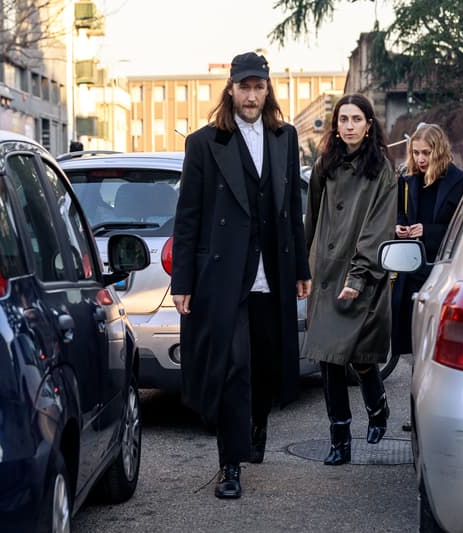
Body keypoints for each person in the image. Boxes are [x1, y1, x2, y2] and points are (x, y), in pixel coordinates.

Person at [170, 51, 311, 500]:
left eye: (258, 87)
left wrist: (301, 267)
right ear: (230, 90)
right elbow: (188, 217)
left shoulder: (284, 138)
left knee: (268, 365)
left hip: (273, 269)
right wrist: (183, 282)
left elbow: (292, 212)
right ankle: (229, 464)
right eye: (244, 87)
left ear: (267, 91)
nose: (251, 95)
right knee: (232, 367)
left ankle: (255, 425)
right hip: (224, 276)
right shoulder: (204, 143)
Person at [303, 93, 397, 465]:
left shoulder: (383, 172)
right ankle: (340, 438)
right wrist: (301, 269)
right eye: (343, 120)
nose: (350, 126)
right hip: (324, 272)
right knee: (328, 357)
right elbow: (311, 217)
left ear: (369, 125)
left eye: (357, 119)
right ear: (336, 126)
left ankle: (377, 406)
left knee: (358, 356)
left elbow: (377, 229)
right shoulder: (324, 164)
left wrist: (358, 277)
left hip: (362, 270)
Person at [391, 124, 463, 431]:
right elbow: (399, 215)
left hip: (441, 271)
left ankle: (440, 409)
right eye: (416, 152)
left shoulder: (458, 181)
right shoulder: (407, 179)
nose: (420, 159)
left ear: (438, 150)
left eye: (426, 153)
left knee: (437, 344)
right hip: (411, 269)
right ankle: (416, 411)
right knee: (413, 346)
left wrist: (429, 231)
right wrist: (400, 229)